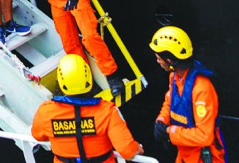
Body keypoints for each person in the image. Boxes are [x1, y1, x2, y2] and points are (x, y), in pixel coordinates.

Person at [31, 54, 143, 163]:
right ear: (89, 78)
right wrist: (136, 148)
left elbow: (38, 136)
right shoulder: (107, 111)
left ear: (60, 82)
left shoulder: (46, 112)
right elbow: (127, 151)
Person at [151, 26, 226, 163]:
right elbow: (170, 101)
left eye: (159, 58)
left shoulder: (201, 89)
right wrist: (161, 120)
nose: (157, 61)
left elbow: (204, 136)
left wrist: (170, 132)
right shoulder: (175, 77)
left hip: (203, 157)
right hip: (184, 154)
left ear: (169, 61)